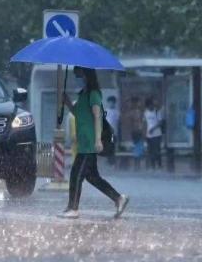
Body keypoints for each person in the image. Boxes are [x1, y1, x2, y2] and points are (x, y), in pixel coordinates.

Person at [59, 66, 129, 219]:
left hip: (90, 143)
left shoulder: (94, 94)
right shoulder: (84, 94)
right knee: (93, 177)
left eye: (79, 72)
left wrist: (98, 140)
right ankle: (119, 198)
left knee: (76, 174)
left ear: (86, 74)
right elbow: (77, 113)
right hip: (83, 142)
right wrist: (67, 102)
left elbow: (97, 117)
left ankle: (73, 208)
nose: (77, 75)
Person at [144, 97, 163, 170]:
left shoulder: (157, 112)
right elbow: (145, 123)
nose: (150, 107)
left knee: (157, 150)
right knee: (150, 151)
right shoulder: (145, 113)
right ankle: (153, 166)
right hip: (149, 135)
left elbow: (160, 122)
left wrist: (153, 128)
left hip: (157, 134)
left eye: (151, 105)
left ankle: (159, 165)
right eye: (149, 106)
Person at [104, 96, 120, 164]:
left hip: (113, 133)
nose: (111, 104)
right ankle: (108, 161)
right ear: (108, 103)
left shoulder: (117, 112)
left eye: (112, 102)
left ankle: (112, 162)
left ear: (114, 103)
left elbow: (118, 123)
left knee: (112, 146)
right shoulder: (105, 111)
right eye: (110, 102)